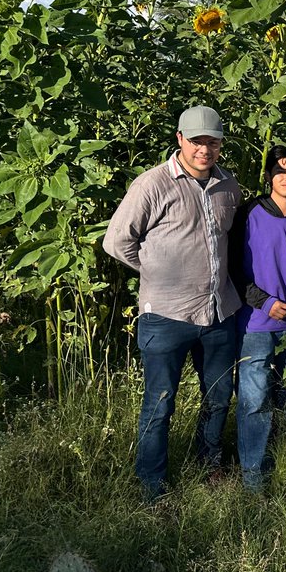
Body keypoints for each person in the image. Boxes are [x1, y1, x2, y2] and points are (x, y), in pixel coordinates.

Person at [103, 105, 242, 500]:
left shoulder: (229, 186)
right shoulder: (152, 185)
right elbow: (116, 242)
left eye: (212, 142)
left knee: (217, 396)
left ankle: (208, 461)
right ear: (180, 140)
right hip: (166, 317)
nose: (204, 149)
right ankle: (153, 485)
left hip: (219, 313)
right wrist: (155, 273)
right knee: (160, 402)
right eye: (196, 141)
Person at [230, 145, 286, 490]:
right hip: (256, 324)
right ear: (269, 175)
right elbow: (231, 269)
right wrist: (264, 302)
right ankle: (254, 477)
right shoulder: (248, 213)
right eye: (282, 171)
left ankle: (285, 464)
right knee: (255, 402)